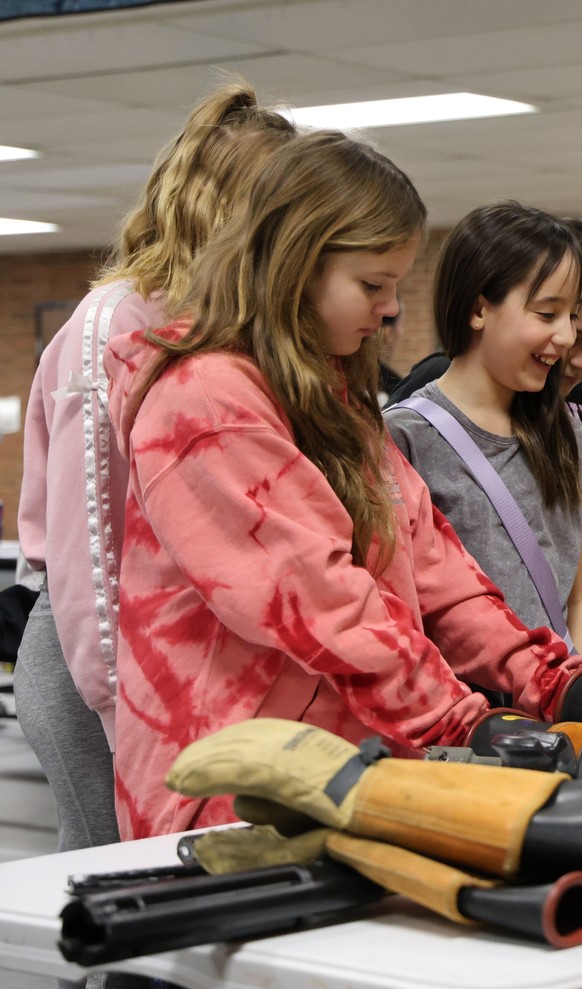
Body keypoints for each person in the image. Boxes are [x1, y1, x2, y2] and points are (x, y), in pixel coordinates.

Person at [102, 133, 582, 841]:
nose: (393, 306)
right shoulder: (206, 403)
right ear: (297, 264)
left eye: (397, 284)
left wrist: (563, 680)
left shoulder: (336, 396)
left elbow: (433, 565)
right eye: (373, 284)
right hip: (235, 794)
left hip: (354, 768)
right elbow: (319, 599)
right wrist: (466, 719)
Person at [17, 76, 293, 989]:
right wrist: (136, 722)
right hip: (98, 655)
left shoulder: (217, 324)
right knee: (117, 902)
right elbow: (92, 552)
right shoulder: (115, 322)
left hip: (169, 662)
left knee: (174, 918)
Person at [385, 215, 582, 654]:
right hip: (465, 711)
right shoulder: (404, 438)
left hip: (556, 703)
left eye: (571, 316)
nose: (567, 335)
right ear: (479, 310)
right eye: (547, 313)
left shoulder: (567, 434)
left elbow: (574, 603)